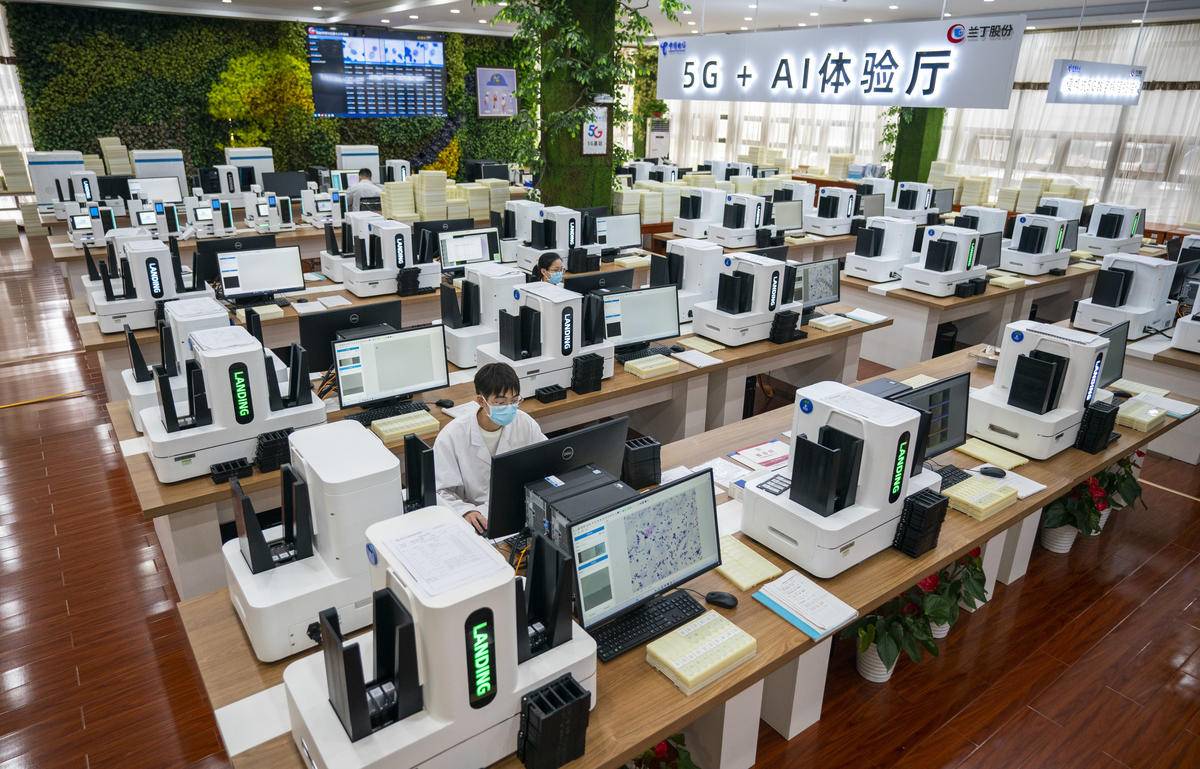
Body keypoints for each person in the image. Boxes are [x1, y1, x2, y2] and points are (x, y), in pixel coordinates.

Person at [433, 362, 545, 534]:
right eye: (500, 402)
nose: (509, 407)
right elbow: (441, 491)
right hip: (476, 521)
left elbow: (547, 461)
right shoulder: (451, 436)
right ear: (481, 401)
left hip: (517, 509)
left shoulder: (524, 423)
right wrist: (465, 511)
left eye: (514, 400)